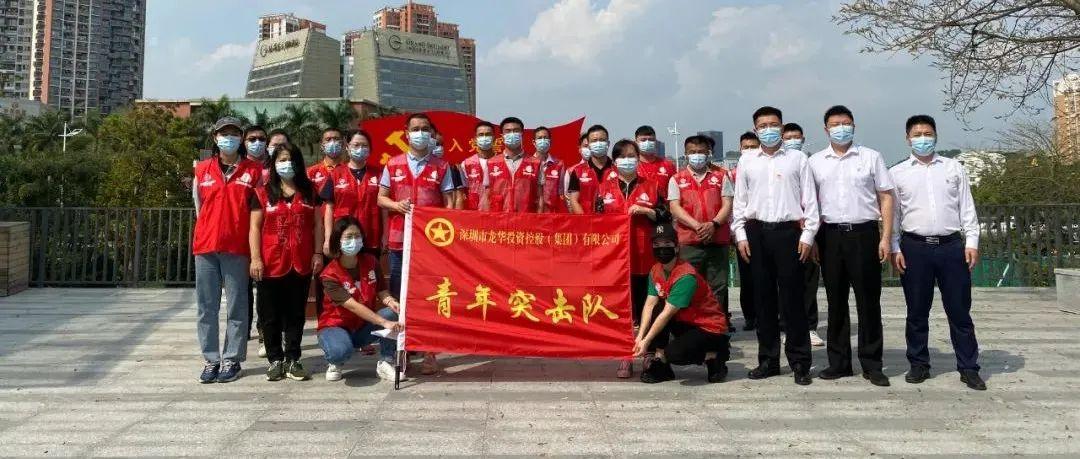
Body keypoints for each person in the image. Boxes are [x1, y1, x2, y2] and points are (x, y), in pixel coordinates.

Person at [890, 114, 985, 391]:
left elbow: (967, 207)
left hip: (951, 247)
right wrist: (895, 247)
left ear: (935, 135)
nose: (923, 139)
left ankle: (968, 367)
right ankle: (919, 364)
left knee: (959, 310)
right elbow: (894, 216)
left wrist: (972, 242)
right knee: (917, 311)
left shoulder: (954, 168)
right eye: (917, 134)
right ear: (907, 138)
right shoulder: (897, 173)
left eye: (927, 133)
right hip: (914, 247)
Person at [731, 106, 819, 386]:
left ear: (782, 127)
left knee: (793, 300)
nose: (768, 130)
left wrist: (808, 236)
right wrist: (740, 235)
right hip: (756, 233)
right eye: (763, 126)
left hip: (789, 233)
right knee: (763, 300)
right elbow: (740, 203)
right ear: (755, 129)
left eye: (773, 125)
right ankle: (768, 360)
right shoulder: (747, 161)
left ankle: (800, 362)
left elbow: (810, 201)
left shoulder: (798, 159)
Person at [808, 106, 893, 386]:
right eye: (835, 124)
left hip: (864, 233)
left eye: (846, 123)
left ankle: (872, 364)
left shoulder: (871, 157)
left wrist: (886, 237)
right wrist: (813, 238)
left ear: (854, 126)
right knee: (836, 301)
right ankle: (839, 362)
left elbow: (886, 197)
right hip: (829, 235)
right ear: (826, 129)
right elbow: (810, 203)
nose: (841, 128)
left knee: (868, 301)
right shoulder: (815, 162)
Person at [376, 112, 455, 375]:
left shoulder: (442, 167)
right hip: (400, 242)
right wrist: (396, 205)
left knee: (430, 297)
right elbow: (381, 198)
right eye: (415, 129)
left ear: (431, 134)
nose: (420, 133)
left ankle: (430, 352)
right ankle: (403, 351)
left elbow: (449, 204)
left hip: (431, 244)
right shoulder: (393, 164)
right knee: (400, 298)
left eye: (425, 129)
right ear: (407, 133)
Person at [191, 116, 262, 383]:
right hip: (206, 247)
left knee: (237, 306)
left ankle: (232, 358)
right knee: (206, 307)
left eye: (234, 134)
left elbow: (256, 212)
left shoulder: (253, 171)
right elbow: (199, 208)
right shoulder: (202, 170)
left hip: (237, 247)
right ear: (215, 138)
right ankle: (211, 359)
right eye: (224, 134)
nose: (228, 138)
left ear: (241, 138)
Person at [248, 142, 321, 382]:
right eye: (281, 160)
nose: (286, 164)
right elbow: (255, 227)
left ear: (298, 163)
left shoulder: (309, 191)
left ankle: (293, 358)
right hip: (270, 263)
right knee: (269, 314)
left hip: (300, 261)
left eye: (290, 159)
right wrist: (256, 258)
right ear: (274, 164)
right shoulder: (262, 193)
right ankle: (275, 360)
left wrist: (317, 253)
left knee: (295, 313)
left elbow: (318, 224)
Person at [595, 139, 665, 378]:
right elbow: (597, 221)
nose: (628, 160)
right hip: (616, 260)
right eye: (622, 156)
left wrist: (647, 211)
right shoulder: (604, 188)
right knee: (622, 309)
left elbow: (664, 216)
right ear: (614, 162)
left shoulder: (652, 186)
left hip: (645, 257)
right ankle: (624, 354)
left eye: (632, 156)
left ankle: (647, 352)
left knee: (648, 306)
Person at [634, 222, 730, 384]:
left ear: (677, 248)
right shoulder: (655, 270)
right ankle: (661, 362)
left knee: (674, 354)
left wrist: (646, 341)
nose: (661, 249)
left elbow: (667, 314)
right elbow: (649, 305)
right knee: (656, 308)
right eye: (656, 245)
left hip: (709, 328)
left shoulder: (685, 276)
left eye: (667, 244)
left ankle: (714, 355)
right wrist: (640, 337)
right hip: (685, 321)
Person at [318, 216, 403, 382]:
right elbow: (353, 306)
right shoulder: (329, 275)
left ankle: (386, 361)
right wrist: (383, 322)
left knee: (392, 313)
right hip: (336, 326)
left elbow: (382, 291)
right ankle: (335, 361)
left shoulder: (371, 261)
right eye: (348, 237)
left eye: (357, 236)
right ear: (338, 240)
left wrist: (391, 302)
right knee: (340, 351)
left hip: (362, 327)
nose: (354, 240)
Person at [667, 135, 734, 332]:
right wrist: (697, 226)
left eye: (701, 152)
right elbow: (674, 207)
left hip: (717, 239)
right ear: (686, 154)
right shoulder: (677, 179)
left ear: (708, 153)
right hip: (689, 242)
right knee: (687, 285)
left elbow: (727, 204)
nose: (697, 155)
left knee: (718, 287)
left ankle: (716, 329)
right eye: (693, 152)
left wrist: (713, 224)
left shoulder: (721, 177)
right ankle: (688, 329)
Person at [781, 122, 824, 347]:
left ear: (803, 139)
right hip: (786, 230)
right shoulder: (779, 164)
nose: (792, 141)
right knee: (785, 282)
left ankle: (810, 326)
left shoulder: (812, 163)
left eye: (796, 137)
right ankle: (786, 326)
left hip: (810, 230)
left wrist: (813, 233)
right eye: (788, 138)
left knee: (809, 280)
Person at [322, 130, 383, 257]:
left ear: (370, 149)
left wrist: (386, 236)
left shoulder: (379, 174)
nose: (360, 149)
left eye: (364, 145)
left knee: (370, 268)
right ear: (347, 147)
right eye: (356, 145)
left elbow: (384, 209)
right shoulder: (335, 174)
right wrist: (328, 239)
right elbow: (329, 208)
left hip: (371, 236)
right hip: (344, 238)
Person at [242, 124, 269, 358]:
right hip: (239, 236)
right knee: (241, 289)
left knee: (263, 288)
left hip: (264, 236)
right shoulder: (238, 167)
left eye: (261, 138)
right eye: (252, 139)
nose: (257, 142)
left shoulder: (272, 169)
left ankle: (264, 332)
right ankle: (242, 330)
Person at [733, 132, 760, 331]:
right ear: (740, 149)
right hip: (742, 229)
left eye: (753, 147)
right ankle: (750, 315)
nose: (749, 150)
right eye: (746, 147)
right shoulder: (731, 174)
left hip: (763, 226)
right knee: (747, 276)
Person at [486, 117, 541, 212]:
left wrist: (538, 218)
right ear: (502, 136)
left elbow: (540, 197)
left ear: (522, 134)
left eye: (516, 131)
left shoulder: (536, 163)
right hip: (499, 217)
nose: (512, 134)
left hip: (526, 217)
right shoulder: (491, 163)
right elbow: (487, 196)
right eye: (508, 131)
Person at [566, 125, 617, 214]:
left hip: (613, 221)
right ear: (589, 145)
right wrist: (585, 220)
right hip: (586, 220)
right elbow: (574, 200)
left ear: (608, 143)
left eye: (602, 140)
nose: (598, 143)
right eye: (594, 140)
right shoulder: (577, 171)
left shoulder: (618, 170)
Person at [461, 121, 498, 210]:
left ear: (494, 138)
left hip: (497, 212)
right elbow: (463, 192)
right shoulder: (466, 164)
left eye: (488, 134)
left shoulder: (502, 162)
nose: (484, 138)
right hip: (474, 213)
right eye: (481, 135)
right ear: (475, 139)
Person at [634, 125, 676, 200]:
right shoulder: (630, 165)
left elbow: (676, 191)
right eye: (643, 140)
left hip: (663, 206)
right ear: (635, 142)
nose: (647, 142)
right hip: (637, 205)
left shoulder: (668, 165)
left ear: (656, 142)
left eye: (651, 140)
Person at [535, 126, 567, 213]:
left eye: (545, 138)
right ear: (534, 142)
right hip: (532, 213)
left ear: (550, 142)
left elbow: (562, 193)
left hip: (552, 214)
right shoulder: (528, 163)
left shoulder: (559, 164)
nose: (543, 140)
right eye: (539, 138)